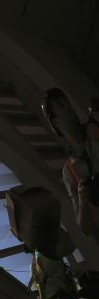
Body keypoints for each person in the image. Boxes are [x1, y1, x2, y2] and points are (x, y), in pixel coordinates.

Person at [41, 87, 99, 237]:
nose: (69, 108)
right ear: (55, 121)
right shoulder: (69, 172)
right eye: (61, 106)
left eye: (67, 103)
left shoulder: (95, 129)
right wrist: (83, 199)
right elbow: (85, 228)